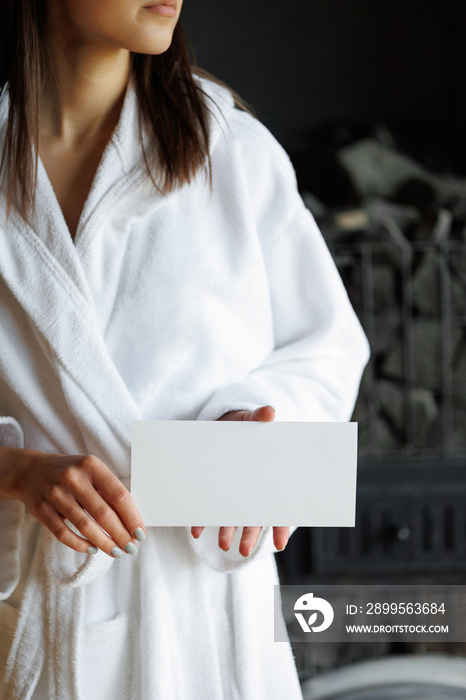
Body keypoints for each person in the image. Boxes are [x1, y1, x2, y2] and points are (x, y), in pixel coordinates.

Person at [0, 0, 370, 698]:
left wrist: (258, 431)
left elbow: (326, 348)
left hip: (209, 628)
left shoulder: (232, 150)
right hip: (44, 623)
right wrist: (18, 471)